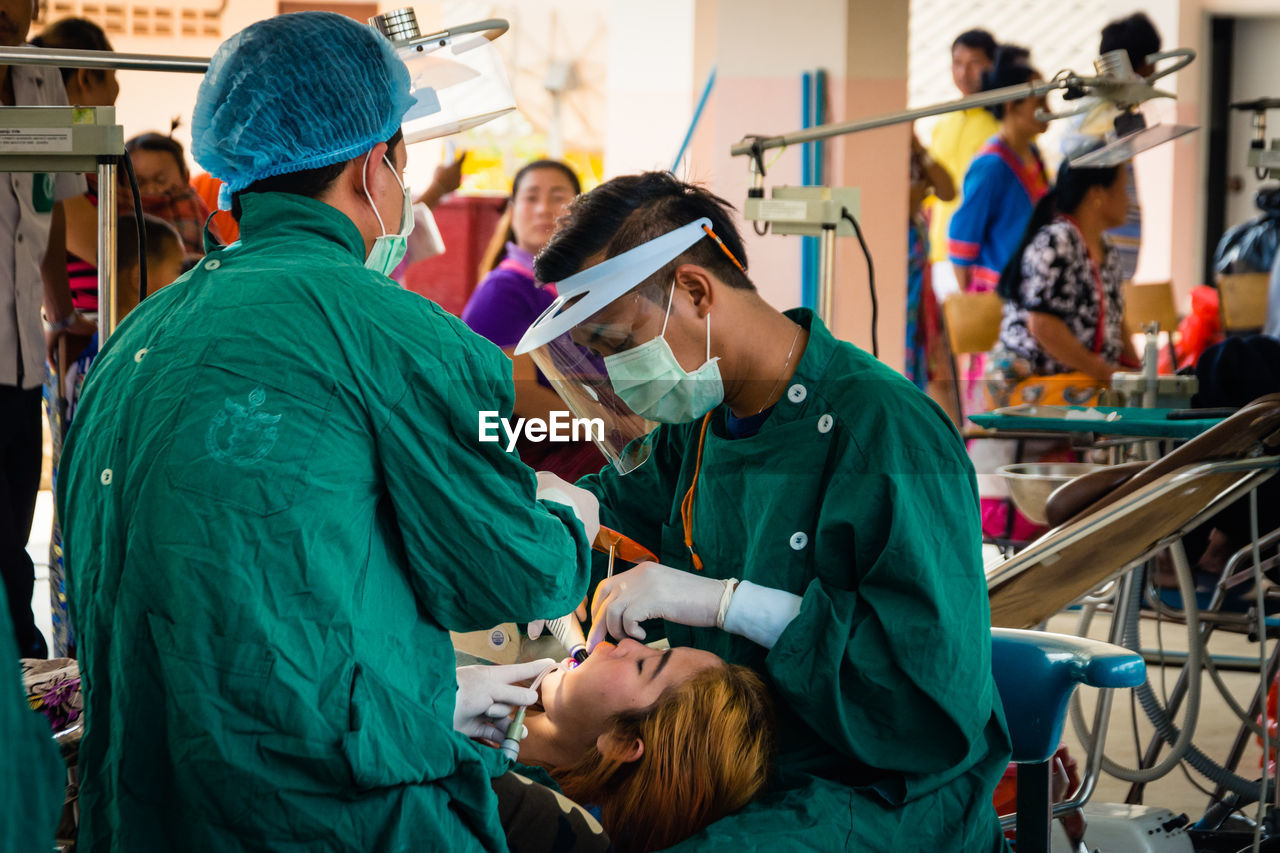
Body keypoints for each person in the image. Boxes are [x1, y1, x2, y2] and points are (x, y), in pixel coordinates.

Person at [58, 12, 598, 850]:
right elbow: (510, 574)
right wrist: (569, 520)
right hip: (325, 815)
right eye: (402, 161)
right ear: (372, 163)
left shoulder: (140, 333)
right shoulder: (389, 328)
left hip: (145, 811)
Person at [515, 171, 1010, 851]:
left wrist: (726, 602)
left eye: (617, 343)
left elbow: (924, 694)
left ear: (694, 290)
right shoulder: (700, 428)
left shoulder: (884, 430)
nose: (618, 372)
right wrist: (552, 513)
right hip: (739, 771)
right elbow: (615, 512)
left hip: (884, 789)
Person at [0, 0, 94, 661]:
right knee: (5, 555)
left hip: (21, 353)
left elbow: (57, 206)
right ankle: (26, 675)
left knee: (15, 519)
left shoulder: (40, 77)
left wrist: (61, 314)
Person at [490, 639, 774, 853]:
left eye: (643, 665)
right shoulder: (493, 686)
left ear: (621, 743)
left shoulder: (502, 813)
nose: (624, 643)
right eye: (657, 650)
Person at [462, 159, 605, 480]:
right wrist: (608, 430)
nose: (543, 208)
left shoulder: (569, 291)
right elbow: (519, 395)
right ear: (512, 210)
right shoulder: (505, 289)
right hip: (532, 466)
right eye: (531, 197)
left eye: (558, 197)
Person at [991, 156, 1139, 400]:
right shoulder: (1057, 242)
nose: (1129, 199)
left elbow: (1117, 323)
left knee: (1147, 400)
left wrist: (1139, 374)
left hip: (1082, 377)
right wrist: (1107, 373)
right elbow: (1042, 326)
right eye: (1122, 189)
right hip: (1028, 380)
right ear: (1097, 194)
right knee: (1117, 404)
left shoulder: (1105, 248)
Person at [1060, 12, 1162, 282]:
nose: (1155, 73)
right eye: (1152, 63)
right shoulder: (1098, 113)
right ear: (1141, 65)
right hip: (1098, 248)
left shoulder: (1115, 108)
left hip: (1113, 251)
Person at [30, 17, 119, 316]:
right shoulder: (59, 146)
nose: (117, 90)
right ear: (86, 77)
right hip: (90, 320)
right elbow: (105, 248)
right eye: (113, 75)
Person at [927, 28, 999, 299]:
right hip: (940, 255)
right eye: (957, 63)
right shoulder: (942, 124)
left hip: (982, 260)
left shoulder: (1002, 127)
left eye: (974, 63)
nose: (964, 72)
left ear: (993, 65)